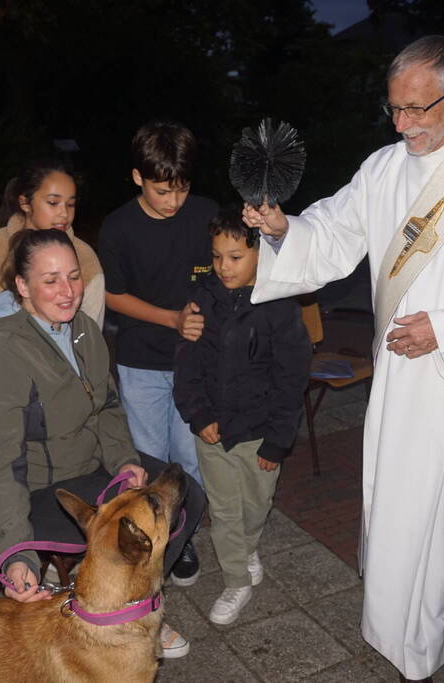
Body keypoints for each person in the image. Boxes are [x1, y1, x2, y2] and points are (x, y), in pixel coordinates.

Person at [243, 36, 444, 681]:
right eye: (394, 109)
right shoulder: (386, 167)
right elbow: (335, 231)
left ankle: (432, 639)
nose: (404, 124)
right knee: (397, 503)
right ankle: (394, 630)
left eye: (418, 109)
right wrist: (286, 231)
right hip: (398, 374)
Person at [0, 228, 204, 659]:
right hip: (28, 485)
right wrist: (17, 551)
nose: (68, 292)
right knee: (123, 534)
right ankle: (107, 610)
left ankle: (134, 606)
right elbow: (2, 466)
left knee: (187, 497)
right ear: (22, 286)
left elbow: (107, 406)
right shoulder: (0, 353)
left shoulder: (82, 330)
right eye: (51, 280)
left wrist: (125, 461)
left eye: (74, 277)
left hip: (85, 465)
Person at [173, 208, 311, 625]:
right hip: (213, 430)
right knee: (226, 510)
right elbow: (188, 366)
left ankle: (246, 548)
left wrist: (277, 439)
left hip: (258, 431)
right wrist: (199, 416)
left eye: (235, 257)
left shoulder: (280, 306)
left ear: (259, 252)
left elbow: (292, 378)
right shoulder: (203, 299)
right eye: (217, 257)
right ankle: (236, 581)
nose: (224, 267)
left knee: (256, 504)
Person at [97, 120, 219, 587]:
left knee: (188, 459)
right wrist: (171, 318)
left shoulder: (206, 214)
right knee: (150, 462)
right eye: (162, 190)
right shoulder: (118, 227)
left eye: (181, 189)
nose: (173, 201)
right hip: (141, 361)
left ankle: (181, 542)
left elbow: (232, 267)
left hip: (194, 363)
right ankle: (147, 545)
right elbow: (114, 296)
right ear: (137, 178)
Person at [0, 159, 105, 358]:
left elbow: (91, 326)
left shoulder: (84, 258)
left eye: (71, 204)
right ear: (25, 202)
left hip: (62, 377)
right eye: (53, 203)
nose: (64, 213)